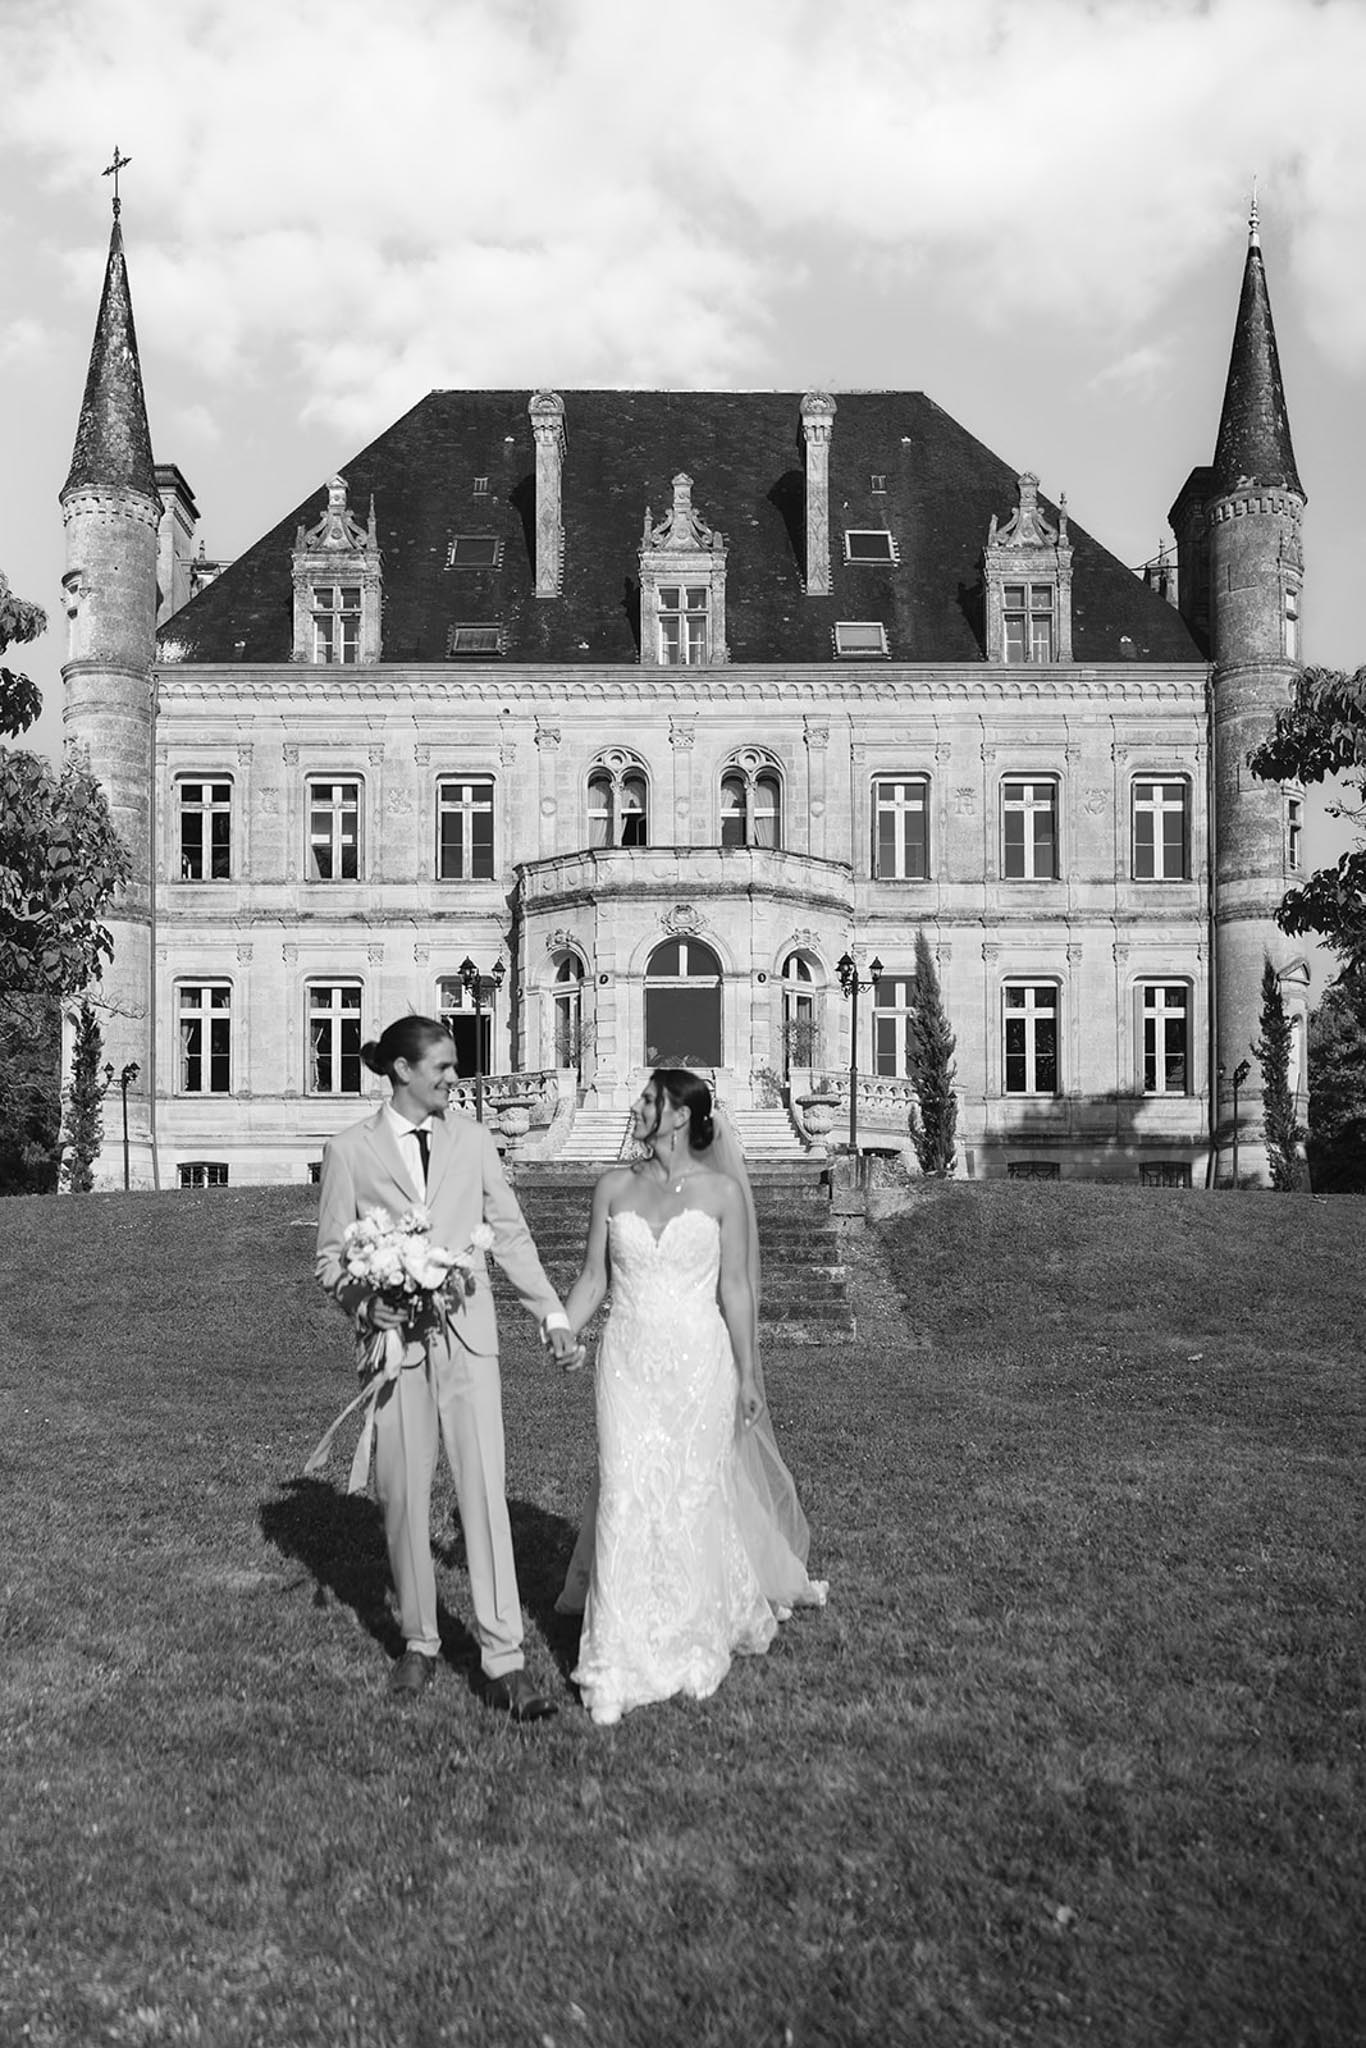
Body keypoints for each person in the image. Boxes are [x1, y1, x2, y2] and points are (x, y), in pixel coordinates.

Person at [315, 1014, 579, 1716]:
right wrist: (366, 1303)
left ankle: (505, 1657)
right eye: (443, 1067)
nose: (454, 1078)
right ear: (403, 1071)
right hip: (394, 1351)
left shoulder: (473, 1140)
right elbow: (330, 1256)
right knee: (401, 1497)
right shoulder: (349, 1151)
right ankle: (419, 1643)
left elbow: (510, 1231)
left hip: (469, 1343)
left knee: (483, 1497)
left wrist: (550, 1312)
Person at [558, 1068, 826, 1726]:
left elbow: (735, 1290)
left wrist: (751, 1373)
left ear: (680, 1116)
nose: (638, 1106)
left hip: (702, 1363)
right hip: (628, 1361)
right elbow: (594, 1276)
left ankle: (692, 1639)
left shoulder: (724, 1193)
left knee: (690, 1493)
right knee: (624, 1492)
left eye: (651, 1099)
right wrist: (564, 1328)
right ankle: (613, 1659)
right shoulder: (612, 1186)